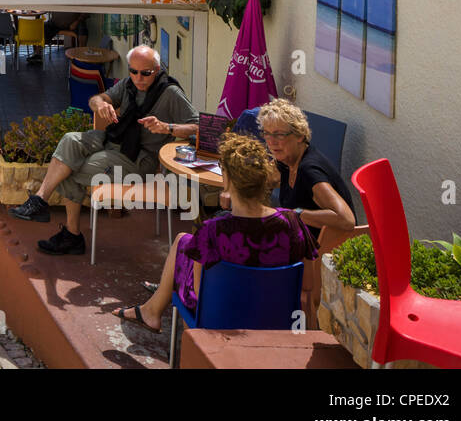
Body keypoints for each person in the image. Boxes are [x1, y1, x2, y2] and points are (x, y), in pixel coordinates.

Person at [111, 134, 318, 334]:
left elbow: (201, 294)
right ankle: (151, 310)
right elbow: (307, 285)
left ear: (226, 179)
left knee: (184, 243)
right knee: (184, 242)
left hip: (221, 318)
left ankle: (153, 312)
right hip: (277, 319)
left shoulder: (213, 231)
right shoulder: (293, 223)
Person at [8, 45, 197, 256]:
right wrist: (100, 105)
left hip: (139, 158)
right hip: (115, 139)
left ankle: (72, 236)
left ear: (158, 70)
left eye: (145, 73)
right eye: (133, 71)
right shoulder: (128, 85)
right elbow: (96, 99)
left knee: (71, 168)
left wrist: (167, 127)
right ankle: (40, 200)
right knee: (70, 140)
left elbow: (197, 127)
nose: (138, 78)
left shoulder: (170, 93)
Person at [257, 98, 355, 239]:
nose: (271, 141)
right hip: (300, 242)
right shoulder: (285, 162)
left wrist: (295, 214)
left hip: (323, 252)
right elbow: (262, 182)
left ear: (300, 136)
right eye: (267, 133)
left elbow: (346, 220)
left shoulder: (309, 171)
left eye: (279, 134)